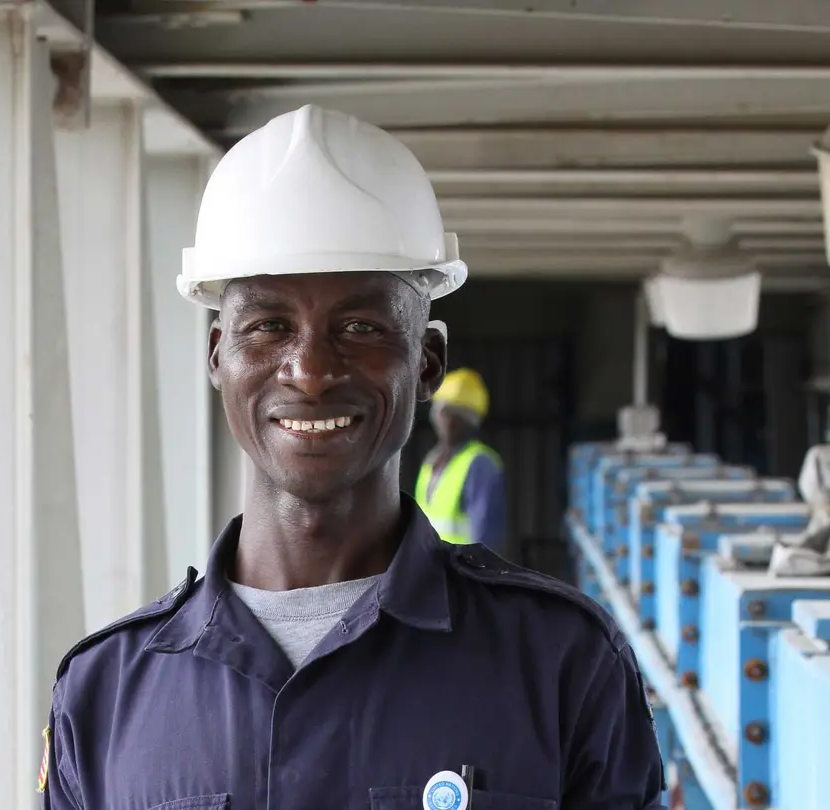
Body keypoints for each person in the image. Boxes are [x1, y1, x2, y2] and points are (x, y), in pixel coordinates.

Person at [39, 104, 665, 810]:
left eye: (360, 326)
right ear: (218, 356)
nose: (309, 370)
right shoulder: (106, 694)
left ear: (427, 362)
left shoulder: (560, 662)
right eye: (269, 325)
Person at [416, 367, 507, 552]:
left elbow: (484, 537)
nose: (439, 418)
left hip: (458, 577)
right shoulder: (432, 461)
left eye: (444, 411)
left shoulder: (480, 464)